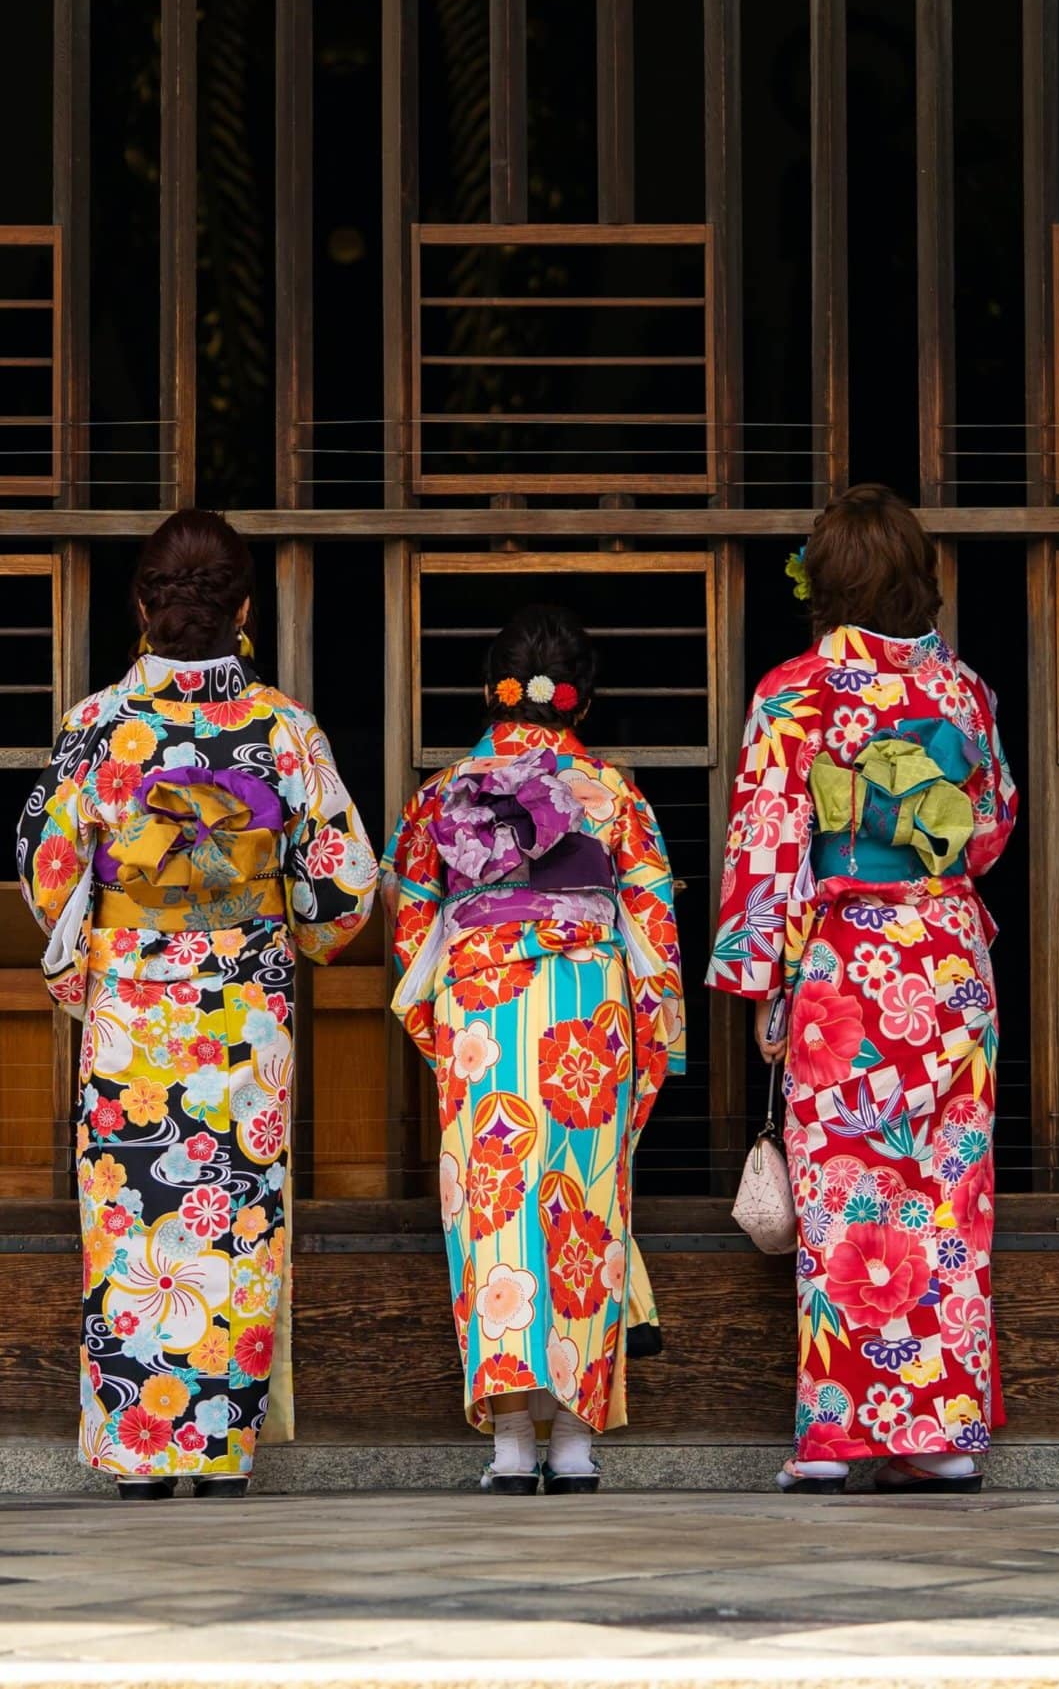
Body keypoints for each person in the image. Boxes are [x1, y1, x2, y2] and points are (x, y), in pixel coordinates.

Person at [18, 509, 376, 1499]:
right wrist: (293, 925)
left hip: (133, 1002)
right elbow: (341, 885)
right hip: (241, 1008)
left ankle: (139, 1451)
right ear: (245, 608)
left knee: (133, 1221)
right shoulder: (283, 730)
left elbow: (50, 868)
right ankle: (218, 1447)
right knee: (234, 1221)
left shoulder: (97, 727)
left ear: (141, 605)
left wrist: (83, 965)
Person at [707, 485, 1016, 1494]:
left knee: (846, 1194)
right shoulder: (963, 693)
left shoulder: (794, 693)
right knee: (945, 1194)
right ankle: (942, 1431)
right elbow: (992, 826)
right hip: (947, 958)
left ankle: (842, 1432)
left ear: (823, 584)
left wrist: (759, 978)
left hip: (847, 963)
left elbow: (767, 843)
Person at [385, 605, 685, 1493]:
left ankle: (511, 1444)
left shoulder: (443, 796)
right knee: (583, 1207)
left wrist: (442, 1027)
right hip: (588, 1009)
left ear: (491, 693)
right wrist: (650, 1036)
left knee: (494, 1208)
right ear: (579, 702)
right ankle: (577, 1445)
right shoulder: (614, 794)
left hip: (482, 1007)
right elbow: (656, 931)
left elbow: (411, 927)